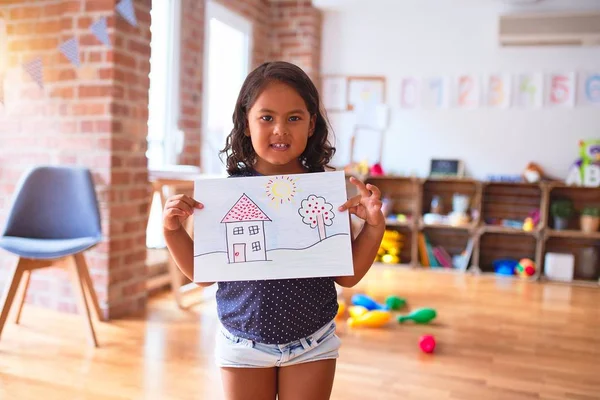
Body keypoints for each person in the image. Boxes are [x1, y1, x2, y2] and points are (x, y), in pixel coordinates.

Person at [162, 61, 384, 400]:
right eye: (267, 118)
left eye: (294, 118)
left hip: (313, 341)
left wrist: (373, 228)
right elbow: (202, 275)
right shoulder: (227, 197)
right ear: (246, 123)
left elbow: (347, 277)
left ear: (312, 124)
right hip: (242, 343)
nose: (280, 129)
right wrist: (172, 231)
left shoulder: (322, 191)